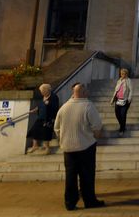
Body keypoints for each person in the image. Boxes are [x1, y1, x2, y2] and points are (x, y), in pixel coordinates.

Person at [53, 82, 104, 211]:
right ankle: (89, 200)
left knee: (70, 176)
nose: (87, 93)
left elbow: (57, 128)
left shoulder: (64, 107)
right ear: (82, 92)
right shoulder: (88, 106)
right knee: (86, 175)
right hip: (85, 146)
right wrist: (94, 137)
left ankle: (70, 202)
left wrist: (63, 139)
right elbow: (97, 127)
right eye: (86, 91)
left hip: (68, 148)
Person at [27, 83, 59, 155]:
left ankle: (47, 148)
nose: (41, 92)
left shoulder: (54, 97)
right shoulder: (44, 97)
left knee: (46, 132)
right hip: (41, 117)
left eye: (42, 91)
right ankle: (35, 145)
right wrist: (34, 110)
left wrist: (49, 104)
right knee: (34, 129)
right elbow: (40, 105)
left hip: (48, 118)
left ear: (47, 90)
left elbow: (55, 107)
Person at [109, 68, 133, 136]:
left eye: (124, 74)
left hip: (125, 100)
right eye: (121, 73)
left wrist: (129, 98)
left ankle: (122, 129)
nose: (122, 75)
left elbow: (131, 90)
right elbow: (116, 90)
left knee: (123, 115)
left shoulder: (128, 81)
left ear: (126, 74)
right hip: (118, 100)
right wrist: (112, 99)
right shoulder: (119, 81)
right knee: (117, 114)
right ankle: (122, 125)